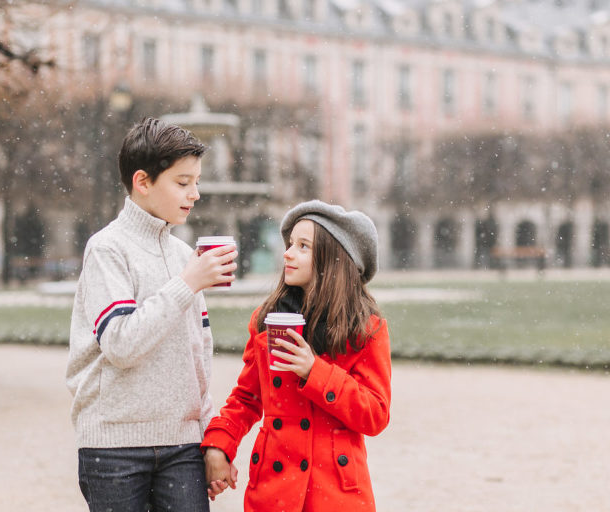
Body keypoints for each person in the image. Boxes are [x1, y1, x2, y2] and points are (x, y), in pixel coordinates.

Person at [66, 116, 238, 512]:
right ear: (143, 182)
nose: (195, 193)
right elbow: (122, 344)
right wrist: (187, 283)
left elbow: (198, 354)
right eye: (182, 182)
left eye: (196, 181)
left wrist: (210, 440)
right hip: (113, 448)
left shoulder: (183, 255)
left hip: (182, 446)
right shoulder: (107, 249)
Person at [201, 200, 392, 511]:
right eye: (291, 244)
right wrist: (219, 445)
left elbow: (375, 415)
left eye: (303, 246)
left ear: (335, 260)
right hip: (274, 488)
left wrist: (314, 371)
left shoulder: (366, 329)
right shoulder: (266, 320)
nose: (287, 253)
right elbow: (247, 398)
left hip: (337, 494)